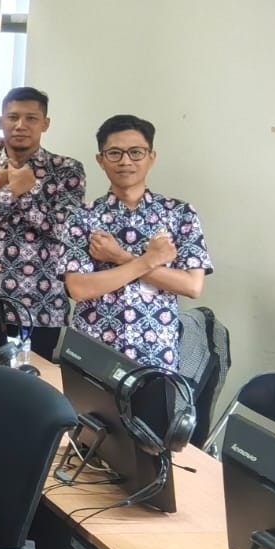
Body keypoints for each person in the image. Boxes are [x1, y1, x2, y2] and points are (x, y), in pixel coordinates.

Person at [63, 115, 212, 371]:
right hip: (92, 351)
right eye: (115, 153)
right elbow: (78, 288)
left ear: (151, 157)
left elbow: (192, 285)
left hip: (155, 356)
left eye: (136, 152)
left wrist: (120, 257)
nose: (125, 161)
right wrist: (148, 260)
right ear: (100, 160)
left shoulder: (180, 214)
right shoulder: (82, 216)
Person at [0, 87, 87, 359]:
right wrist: (11, 192)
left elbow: (65, 231)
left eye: (31, 118)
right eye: (13, 117)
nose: (20, 125)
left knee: (35, 380)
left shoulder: (66, 169)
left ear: (45, 123)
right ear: (0, 121)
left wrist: (26, 192)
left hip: (42, 305)